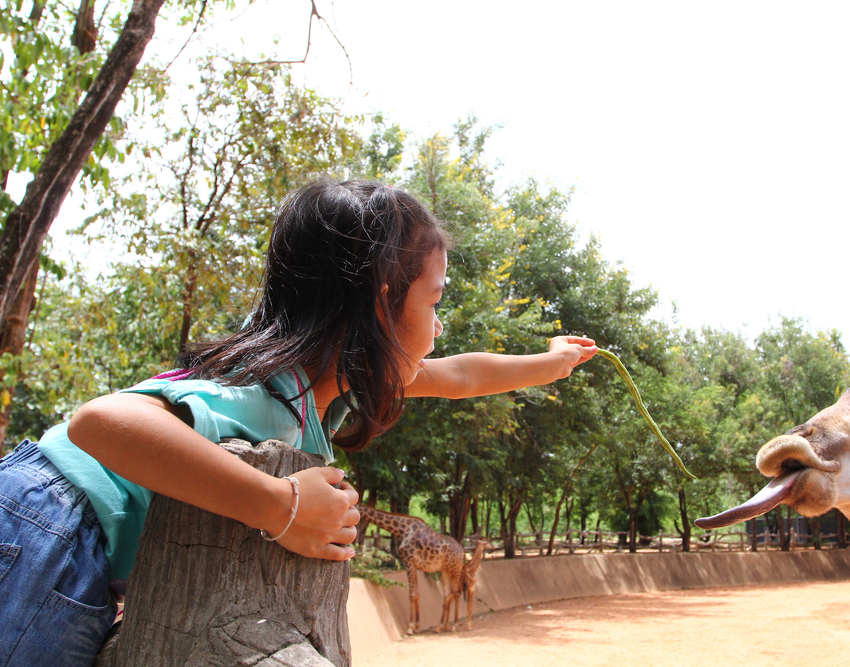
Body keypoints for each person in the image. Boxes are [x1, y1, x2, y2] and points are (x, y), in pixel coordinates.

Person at [0, 178, 598, 666]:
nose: (439, 329)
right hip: (50, 529)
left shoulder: (313, 388)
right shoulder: (267, 399)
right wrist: (277, 503)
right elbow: (101, 422)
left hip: (58, 537)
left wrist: (553, 362)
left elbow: (460, 376)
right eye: (434, 302)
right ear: (381, 303)